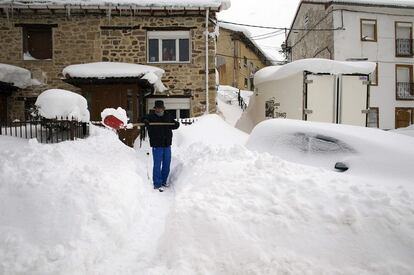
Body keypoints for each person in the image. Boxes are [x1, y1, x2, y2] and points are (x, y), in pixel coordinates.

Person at [143, 100, 180, 192]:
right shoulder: (150, 117)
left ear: (163, 108)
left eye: (160, 108)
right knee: (157, 164)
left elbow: (174, 125)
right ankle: (157, 183)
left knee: (166, 164)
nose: (159, 110)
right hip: (157, 144)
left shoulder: (167, 116)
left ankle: (163, 181)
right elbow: (141, 118)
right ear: (155, 109)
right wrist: (145, 121)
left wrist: (176, 124)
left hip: (167, 144)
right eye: (157, 108)